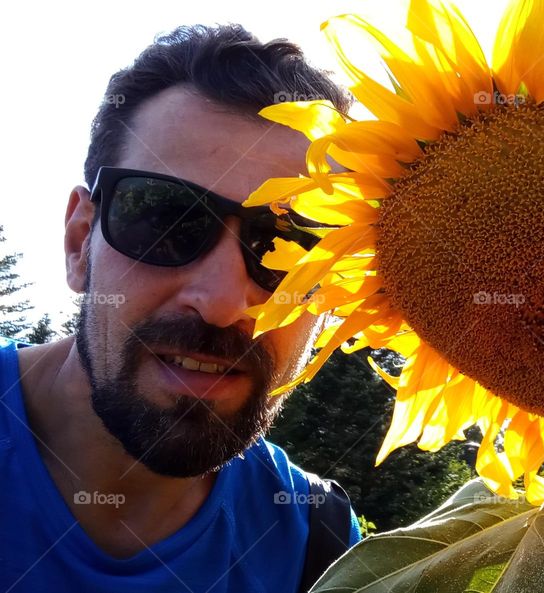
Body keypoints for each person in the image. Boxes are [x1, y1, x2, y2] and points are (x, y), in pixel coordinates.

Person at [0, 24, 361, 593]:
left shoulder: (323, 551)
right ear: (78, 243)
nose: (221, 304)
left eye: (291, 249)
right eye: (166, 219)